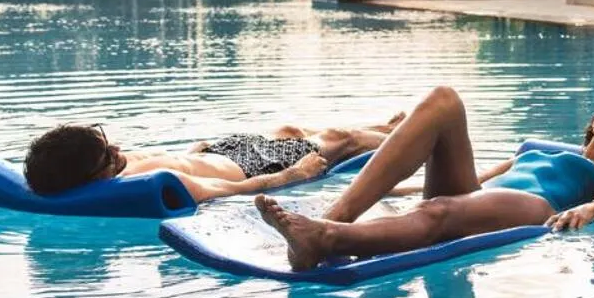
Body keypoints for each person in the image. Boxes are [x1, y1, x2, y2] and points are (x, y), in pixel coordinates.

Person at [254, 86, 594, 271]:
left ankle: (325, 240)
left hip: (532, 208)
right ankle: (336, 216)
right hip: (482, 196)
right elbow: (482, 178)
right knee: (444, 100)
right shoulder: (534, 152)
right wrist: (393, 188)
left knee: (440, 210)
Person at [22, 113, 403, 203]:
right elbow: (229, 189)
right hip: (253, 166)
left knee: (290, 130)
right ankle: (408, 134)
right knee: (342, 140)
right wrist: (293, 174)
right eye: (108, 155)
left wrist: (192, 153)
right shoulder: (150, 186)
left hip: (218, 151)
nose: (117, 151)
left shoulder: (105, 171)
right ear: (93, 177)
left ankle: (384, 129)